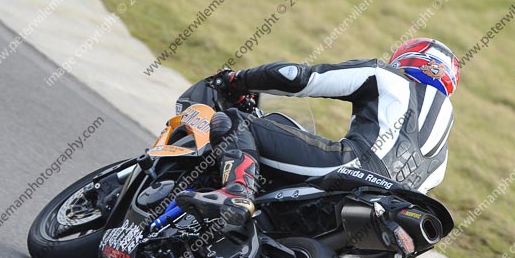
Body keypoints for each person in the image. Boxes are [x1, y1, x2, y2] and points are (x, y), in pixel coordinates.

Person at [176, 37, 461, 227]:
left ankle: (236, 191)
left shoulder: (386, 76)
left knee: (236, 121)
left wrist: (236, 80)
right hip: (387, 212)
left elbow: (297, 78)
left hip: (346, 169)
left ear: (405, 59)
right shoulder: (444, 152)